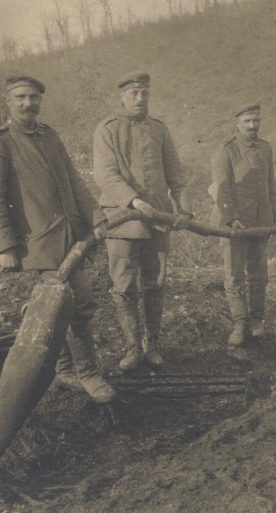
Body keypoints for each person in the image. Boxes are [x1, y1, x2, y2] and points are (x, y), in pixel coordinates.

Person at [0, 75, 115, 403]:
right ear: (7, 101)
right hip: (37, 242)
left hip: (69, 236)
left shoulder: (48, 135)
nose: (28, 103)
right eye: (21, 97)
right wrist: (4, 246)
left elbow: (74, 180)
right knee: (79, 303)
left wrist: (96, 216)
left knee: (59, 308)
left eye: (34, 97)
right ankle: (88, 374)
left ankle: (64, 371)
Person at [93, 72, 191, 371]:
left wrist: (184, 210)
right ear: (122, 96)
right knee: (124, 286)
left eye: (144, 93)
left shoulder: (159, 129)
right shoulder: (107, 129)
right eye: (134, 93)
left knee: (155, 283)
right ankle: (132, 348)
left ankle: (153, 346)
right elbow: (105, 174)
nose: (140, 99)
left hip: (158, 219)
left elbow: (176, 174)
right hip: (123, 217)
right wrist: (134, 201)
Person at [209, 104, 276, 360]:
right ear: (238, 123)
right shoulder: (227, 150)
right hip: (233, 224)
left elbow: (271, 187)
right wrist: (231, 218)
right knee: (234, 276)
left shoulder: (265, 149)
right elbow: (221, 189)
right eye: (247, 121)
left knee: (259, 275)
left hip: (259, 222)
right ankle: (239, 322)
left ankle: (256, 320)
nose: (253, 125)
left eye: (256, 120)